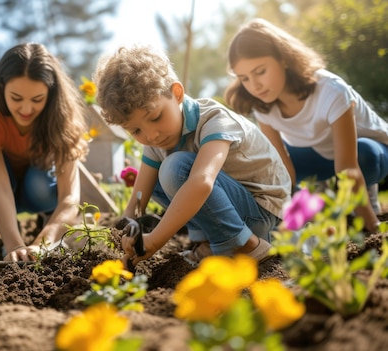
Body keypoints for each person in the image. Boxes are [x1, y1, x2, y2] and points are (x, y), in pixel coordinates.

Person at [92, 45, 291, 267]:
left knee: (175, 169)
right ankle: (210, 242)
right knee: (158, 176)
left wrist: (155, 241)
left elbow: (201, 182)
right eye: (136, 131)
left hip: (266, 217)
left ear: (177, 94)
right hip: (237, 211)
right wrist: (126, 227)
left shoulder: (215, 120)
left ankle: (247, 246)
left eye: (156, 117)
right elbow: (139, 197)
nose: (151, 135)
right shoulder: (157, 140)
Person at [225, 18, 388, 233]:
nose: (254, 86)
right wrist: (286, 221)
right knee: (270, 166)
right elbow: (284, 172)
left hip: (371, 153)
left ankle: (365, 198)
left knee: (364, 155)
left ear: (283, 58)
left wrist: (372, 226)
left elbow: (347, 166)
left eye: (260, 72)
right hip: (320, 155)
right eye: (244, 78)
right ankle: (321, 203)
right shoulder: (263, 106)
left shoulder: (330, 90)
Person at [0, 43, 89, 261]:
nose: (26, 110)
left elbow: (70, 197)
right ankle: (9, 226)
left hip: (39, 190)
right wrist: (14, 245)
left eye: (37, 100)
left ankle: (49, 222)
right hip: (2, 190)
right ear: (2, 86)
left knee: (40, 181)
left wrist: (42, 244)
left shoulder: (62, 122)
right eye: (16, 98)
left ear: (51, 94)